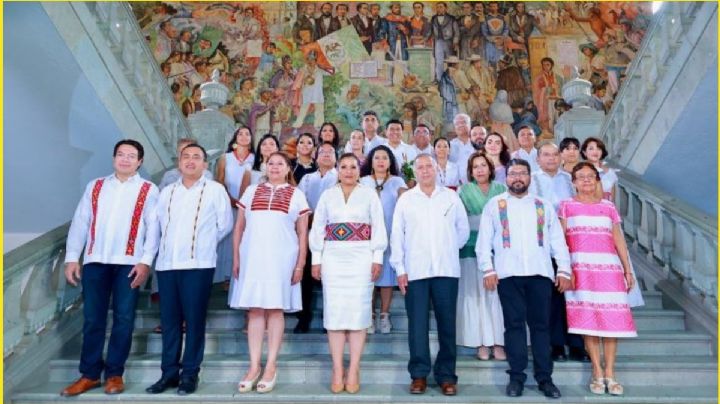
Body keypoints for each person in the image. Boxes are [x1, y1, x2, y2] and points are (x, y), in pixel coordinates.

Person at [61, 140, 159, 397]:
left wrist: (146, 261)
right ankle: (90, 374)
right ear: (114, 158)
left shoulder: (149, 190)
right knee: (93, 318)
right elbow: (81, 223)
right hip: (96, 261)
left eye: (132, 156)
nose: (125, 159)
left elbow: (153, 229)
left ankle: (115, 373)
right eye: (121, 155)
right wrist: (73, 257)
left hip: (130, 263)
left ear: (140, 162)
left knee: (124, 319)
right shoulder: (96, 186)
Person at [476, 159, 571, 399]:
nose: (517, 177)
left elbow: (557, 241)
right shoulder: (494, 206)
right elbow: (484, 242)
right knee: (514, 327)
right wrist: (488, 269)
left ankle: (545, 378)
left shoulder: (544, 205)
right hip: (508, 275)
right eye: (512, 174)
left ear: (530, 177)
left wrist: (563, 270)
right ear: (505, 178)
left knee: (541, 327)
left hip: (540, 274)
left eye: (522, 173)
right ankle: (516, 377)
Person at [147, 143, 233, 395]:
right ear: (179, 163)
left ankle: (190, 374)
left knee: (194, 321)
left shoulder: (215, 190)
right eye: (186, 157)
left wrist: (202, 244)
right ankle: (169, 373)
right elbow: (156, 227)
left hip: (198, 265)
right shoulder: (167, 192)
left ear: (205, 164)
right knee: (170, 321)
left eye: (197, 157)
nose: (191, 161)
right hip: (166, 265)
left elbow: (224, 225)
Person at [229, 152, 311, 394]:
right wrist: (236, 257)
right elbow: (239, 227)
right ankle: (254, 366)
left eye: (280, 164)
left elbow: (303, 233)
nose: (275, 167)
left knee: (275, 309)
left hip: (282, 258)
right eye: (271, 163)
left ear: (288, 169)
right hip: (252, 257)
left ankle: (271, 365)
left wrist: (300, 263)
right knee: (255, 310)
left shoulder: (297, 195)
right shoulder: (252, 191)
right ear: (265, 166)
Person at [391, 154, 470, 396]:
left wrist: (446, 247)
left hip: (446, 271)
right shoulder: (406, 200)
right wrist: (400, 269)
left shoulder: (451, 197)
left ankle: (447, 376)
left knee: (447, 324)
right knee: (417, 325)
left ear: (437, 170)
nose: (425, 171)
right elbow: (397, 236)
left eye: (429, 166)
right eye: (420, 167)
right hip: (415, 271)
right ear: (414, 172)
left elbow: (463, 231)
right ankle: (419, 375)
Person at [309, 153, 387, 394]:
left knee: (359, 312)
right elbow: (318, 227)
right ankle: (337, 368)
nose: (349, 171)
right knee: (335, 314)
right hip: (333, 258)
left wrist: (377, 257)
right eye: (344, 167)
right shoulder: (328, 195)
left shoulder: (369, 194)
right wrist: (316, 259)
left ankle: (353, 368)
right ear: (337, 169)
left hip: (361, 258)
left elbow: (379, 226)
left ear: (359, 170)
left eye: (353, 167)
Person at [559, 162, 637, 396]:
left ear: (596, 180)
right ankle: (597, 371)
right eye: (580, 177)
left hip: (609, 270)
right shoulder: (566, 207)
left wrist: (627, 269)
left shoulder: (608, 207)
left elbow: (619, 240)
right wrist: (565, 269)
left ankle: (611, 372)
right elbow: (561, 241)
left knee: (612, 322)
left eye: (590, 177)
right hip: (580, 271)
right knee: (588, 321)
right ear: (573, 182)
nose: (586, 181)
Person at [528, 141, 588, 362]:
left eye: (555, 155)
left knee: (576, 295)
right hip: (544, 244)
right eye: (546, 155)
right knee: (552, 297)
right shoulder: (531, 181)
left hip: (574, 243)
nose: (551, 159)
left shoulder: (570, 180)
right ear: (538, 158)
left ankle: (577, 344)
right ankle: (556, 344)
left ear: (561, 157)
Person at [457, 152, 506, 361]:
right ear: (470, 171)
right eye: (475, 166)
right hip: (470, 246)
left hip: (497, 247)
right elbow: (459, 221)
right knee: (475, 296)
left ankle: (498, 342)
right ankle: (481, 342)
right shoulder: (463, 191)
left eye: (483, 165)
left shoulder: (501, 190)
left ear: (490, 168)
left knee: (496, 297)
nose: (479, 170)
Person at [360, 145, 408, 334]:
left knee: (387, 276)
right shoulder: (362, 181)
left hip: (389, 234)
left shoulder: (397, 181)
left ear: (390, 162)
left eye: (385, 158)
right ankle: (369, 315)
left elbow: (405, 203)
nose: (381, 161)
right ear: (371, 161)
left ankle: (384, 315)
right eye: (377, 157)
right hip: (367, 236)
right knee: (369, 276)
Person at [295, 142, 339, 333]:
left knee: (330, 279)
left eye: (330, 152)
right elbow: (299, 204)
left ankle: (329, 320)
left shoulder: (340, 176)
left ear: (336, 157)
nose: (326, 154)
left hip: (333, 236)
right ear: (315, 156)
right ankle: (303, 318)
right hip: (309, 231)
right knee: (305, 278)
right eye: (322, 152)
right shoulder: (306, 179)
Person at [215, 127, 254, 285]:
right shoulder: (226, 157)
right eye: (240, 133)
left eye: (247, 134)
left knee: (245, 238)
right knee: (229, 239)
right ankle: (226, 276)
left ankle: (242, 274)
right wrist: (231, 199)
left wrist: (244, 202)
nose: (244, 136)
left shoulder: (255, 158)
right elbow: (220, 180)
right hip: (229, 202)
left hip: (249, 206)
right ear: (235, 138)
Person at [429, 2, 460, 82]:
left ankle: (451, 79)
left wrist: (455, 42)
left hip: (449, 42)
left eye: (441, 7)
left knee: (450, 61)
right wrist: (425, 39)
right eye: (438, 7)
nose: (439, 8)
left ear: (445, 8)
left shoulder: (452, 18)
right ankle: (439, 79)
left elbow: (456, 32)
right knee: (438, 61)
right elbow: (430, 31)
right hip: (438, 42)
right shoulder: (433, 18)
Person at [580, 137, 616, 201]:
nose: (595, 151)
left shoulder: (610, 173)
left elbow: (612, 199)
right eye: (591, 149)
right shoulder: (579, 171)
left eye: (598, 149)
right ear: (584, 152)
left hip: (606, 208)